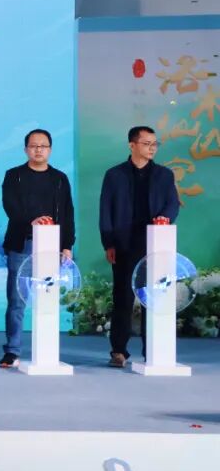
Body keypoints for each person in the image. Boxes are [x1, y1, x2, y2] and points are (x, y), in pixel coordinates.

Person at [99, 125, 179, 368]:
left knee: (152, 298)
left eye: (155, 144)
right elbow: (105, 211)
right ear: (132, 145)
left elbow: (172, 204)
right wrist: (108, 242)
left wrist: (165, 217)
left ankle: (151, 350)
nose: (152, 148)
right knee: (122, 298)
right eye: (146, 143)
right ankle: (119, 351)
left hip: (155, 245)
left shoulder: (165, 175)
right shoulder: (114, 175)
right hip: (124, 244)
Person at [0, 128, 75, 368]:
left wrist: (67, 245)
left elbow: (68, 213)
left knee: (48, 297)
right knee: (17, 300)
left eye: (43, 146)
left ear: (50, 150)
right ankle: (12, 350)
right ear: (26, 149)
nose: (38, 150)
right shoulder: (14, 175)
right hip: (22, 244)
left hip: (52, 247)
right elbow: (10, 206)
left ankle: (47, 350)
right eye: (33, 146)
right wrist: (30, 221)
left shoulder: (60, 179)